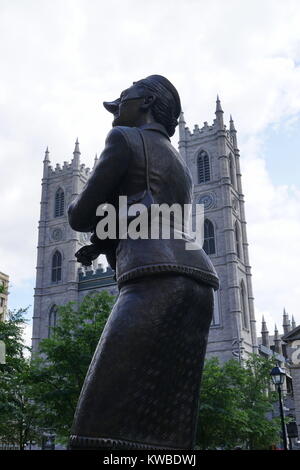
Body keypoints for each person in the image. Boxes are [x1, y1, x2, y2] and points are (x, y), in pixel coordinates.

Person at [68, 75, 219, 450]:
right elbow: (151, 214)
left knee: (96, 427)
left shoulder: (123, 139)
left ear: (147, 101)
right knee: (165, 424)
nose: (116, 108)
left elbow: (79, 216)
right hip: (198, 283)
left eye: (123, 99)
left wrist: (82, 209)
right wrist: (106, 240)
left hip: (154, 279)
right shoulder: (180, 162)